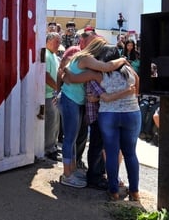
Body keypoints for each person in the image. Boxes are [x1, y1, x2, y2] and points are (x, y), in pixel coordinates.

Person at [58, 38, 128, 188]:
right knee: (70, 138)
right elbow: (107, 66)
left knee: (73, 138)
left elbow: (68, 76)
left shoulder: (80, 57)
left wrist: (66, 73)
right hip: (71, 100)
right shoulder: (87, 58)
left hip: (72, 100)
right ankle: (67, 174)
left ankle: (72, 170)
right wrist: (122, 59)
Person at [95, 48, 141, 201]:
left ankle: (113, 191)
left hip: (108, 114)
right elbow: (138, 85)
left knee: (112, 153)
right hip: (132, 113)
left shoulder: (101, 72)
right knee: (130, 153)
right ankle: (134, 192)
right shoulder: (129, 69)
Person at [44, 32, 61, 161]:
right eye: (57, 42)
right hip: (48, 94)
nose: (58, 45)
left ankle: (53, 145)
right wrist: (57, 88)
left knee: (55, 122)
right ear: (49, 41)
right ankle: (49, 148)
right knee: (51, 122)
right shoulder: (46, 54)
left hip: (53, 94)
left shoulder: (54, 55)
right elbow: (46, 76)